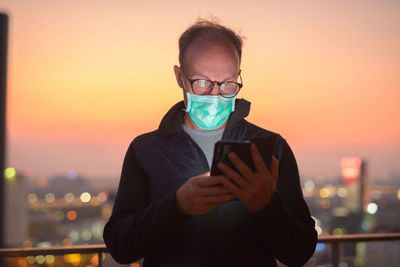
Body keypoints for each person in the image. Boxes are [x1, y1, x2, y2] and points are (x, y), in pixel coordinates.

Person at [103, 18, 317, 267]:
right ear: (179, 76)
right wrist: (177, 205)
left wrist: (267, 206)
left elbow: (299, 252)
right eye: (202, 82)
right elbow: (121, 246)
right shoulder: (146, 150)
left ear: (238, 76)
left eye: (227, 84)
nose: (215, 95)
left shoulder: (270, 147)